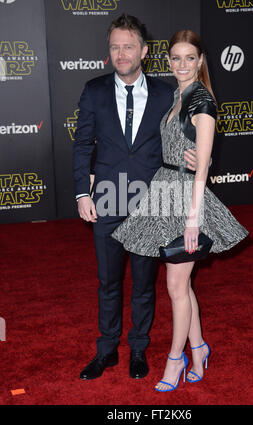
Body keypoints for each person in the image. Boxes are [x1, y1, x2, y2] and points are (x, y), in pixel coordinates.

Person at [112, 30, 249, 391]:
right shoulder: (178, 95)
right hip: (167, 188)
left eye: (190, 58)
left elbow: (202, 166)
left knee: (175, 284)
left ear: (201, 61)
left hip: (188, 197)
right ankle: (199, 348)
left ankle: (176, 358)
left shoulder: (201, 100)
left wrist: (192, 221)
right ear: (168, 61)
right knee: (181, 286)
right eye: (176, 58)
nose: (182, 65)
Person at [73, 15, 197, 381]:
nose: (121, 54)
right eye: (115, 47)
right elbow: (82, 145)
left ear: (144, 50)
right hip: (108, 198)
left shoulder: (165, 93)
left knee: (144, 284)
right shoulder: (94, 90)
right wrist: (83, 192)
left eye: (128, 46)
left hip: (151, 201)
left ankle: (138, 348)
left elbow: (181, 139)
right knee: (108, 282)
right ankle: (107, 349)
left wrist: (192, 158)